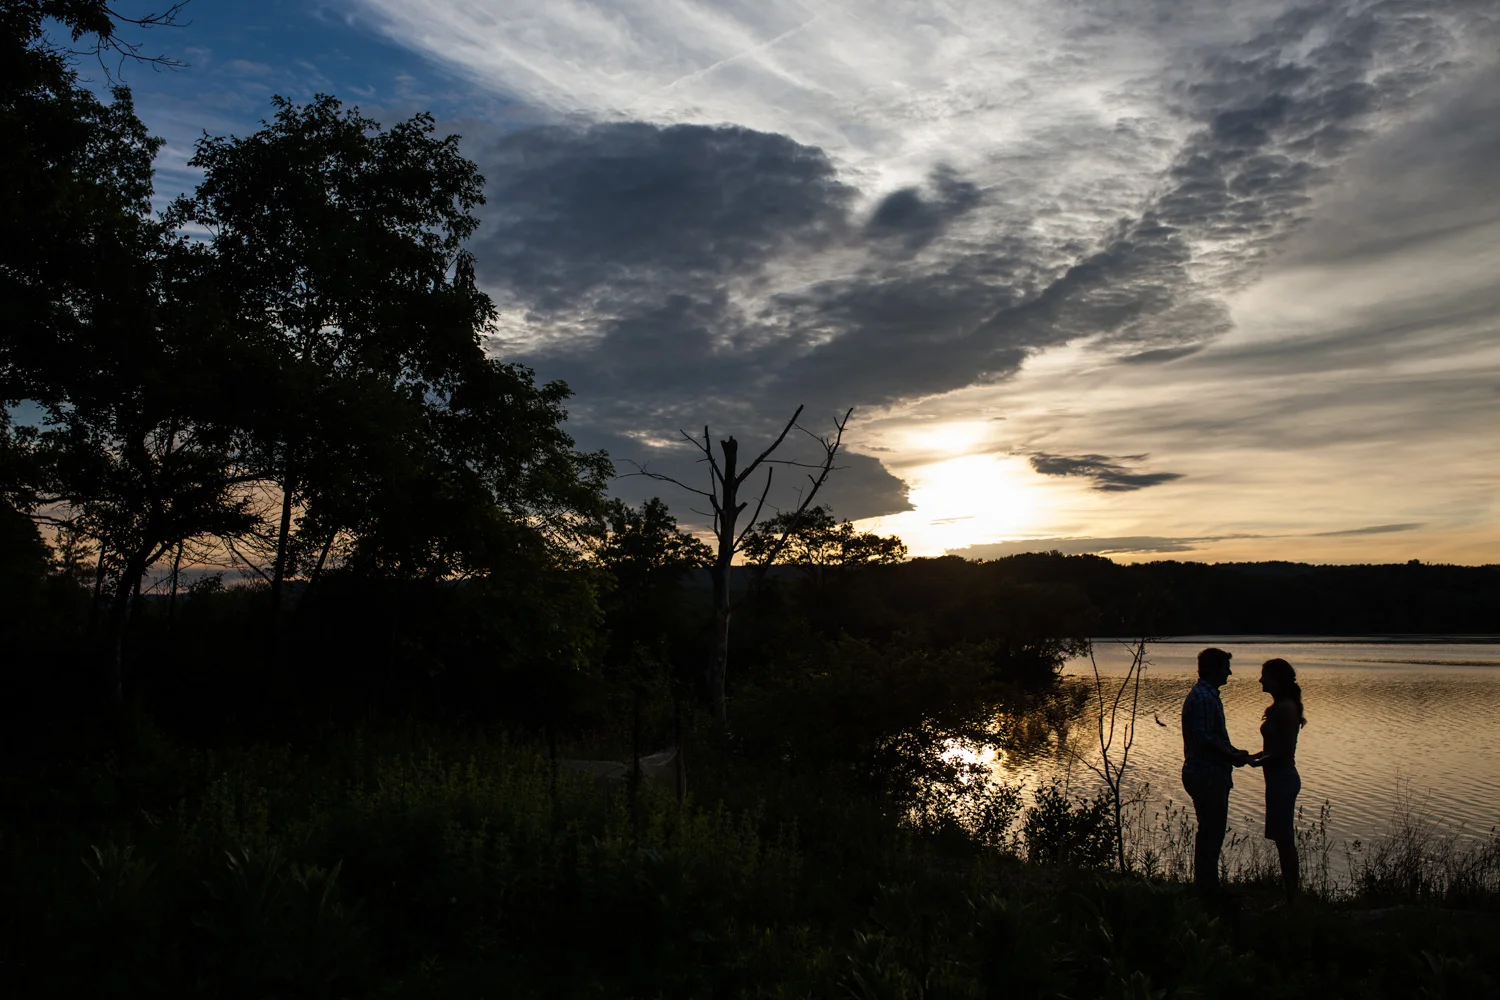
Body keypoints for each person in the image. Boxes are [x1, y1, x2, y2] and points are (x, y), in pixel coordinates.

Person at [1181, 647, 1251, 900]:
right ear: (1212, 669)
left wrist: (1236, 752)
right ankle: (1208, 891)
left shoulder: (1207, 696)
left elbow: (1214, 738)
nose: (1229, 673)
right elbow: (1205, 740)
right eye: (1225, 668)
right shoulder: (1204, 699)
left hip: (1207, 772)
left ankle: (1207, 887)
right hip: (1206, 775)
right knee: (1211, 833)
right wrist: (1232, 757)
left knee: (1210, 831)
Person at [1248, 657, 1305, 904]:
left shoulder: (1286, 708)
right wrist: (1253, 756)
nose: (1261, 680)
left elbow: (1284, 751)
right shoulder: (1280, 707)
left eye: (1265, 675)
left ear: (1277, 679)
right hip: (1276, 779)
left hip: (1283, 780)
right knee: (1282, 839)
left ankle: (1292, 898)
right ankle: (1290, 895)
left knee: (1284, 840)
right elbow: (1274, 748)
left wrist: (1257, 762)